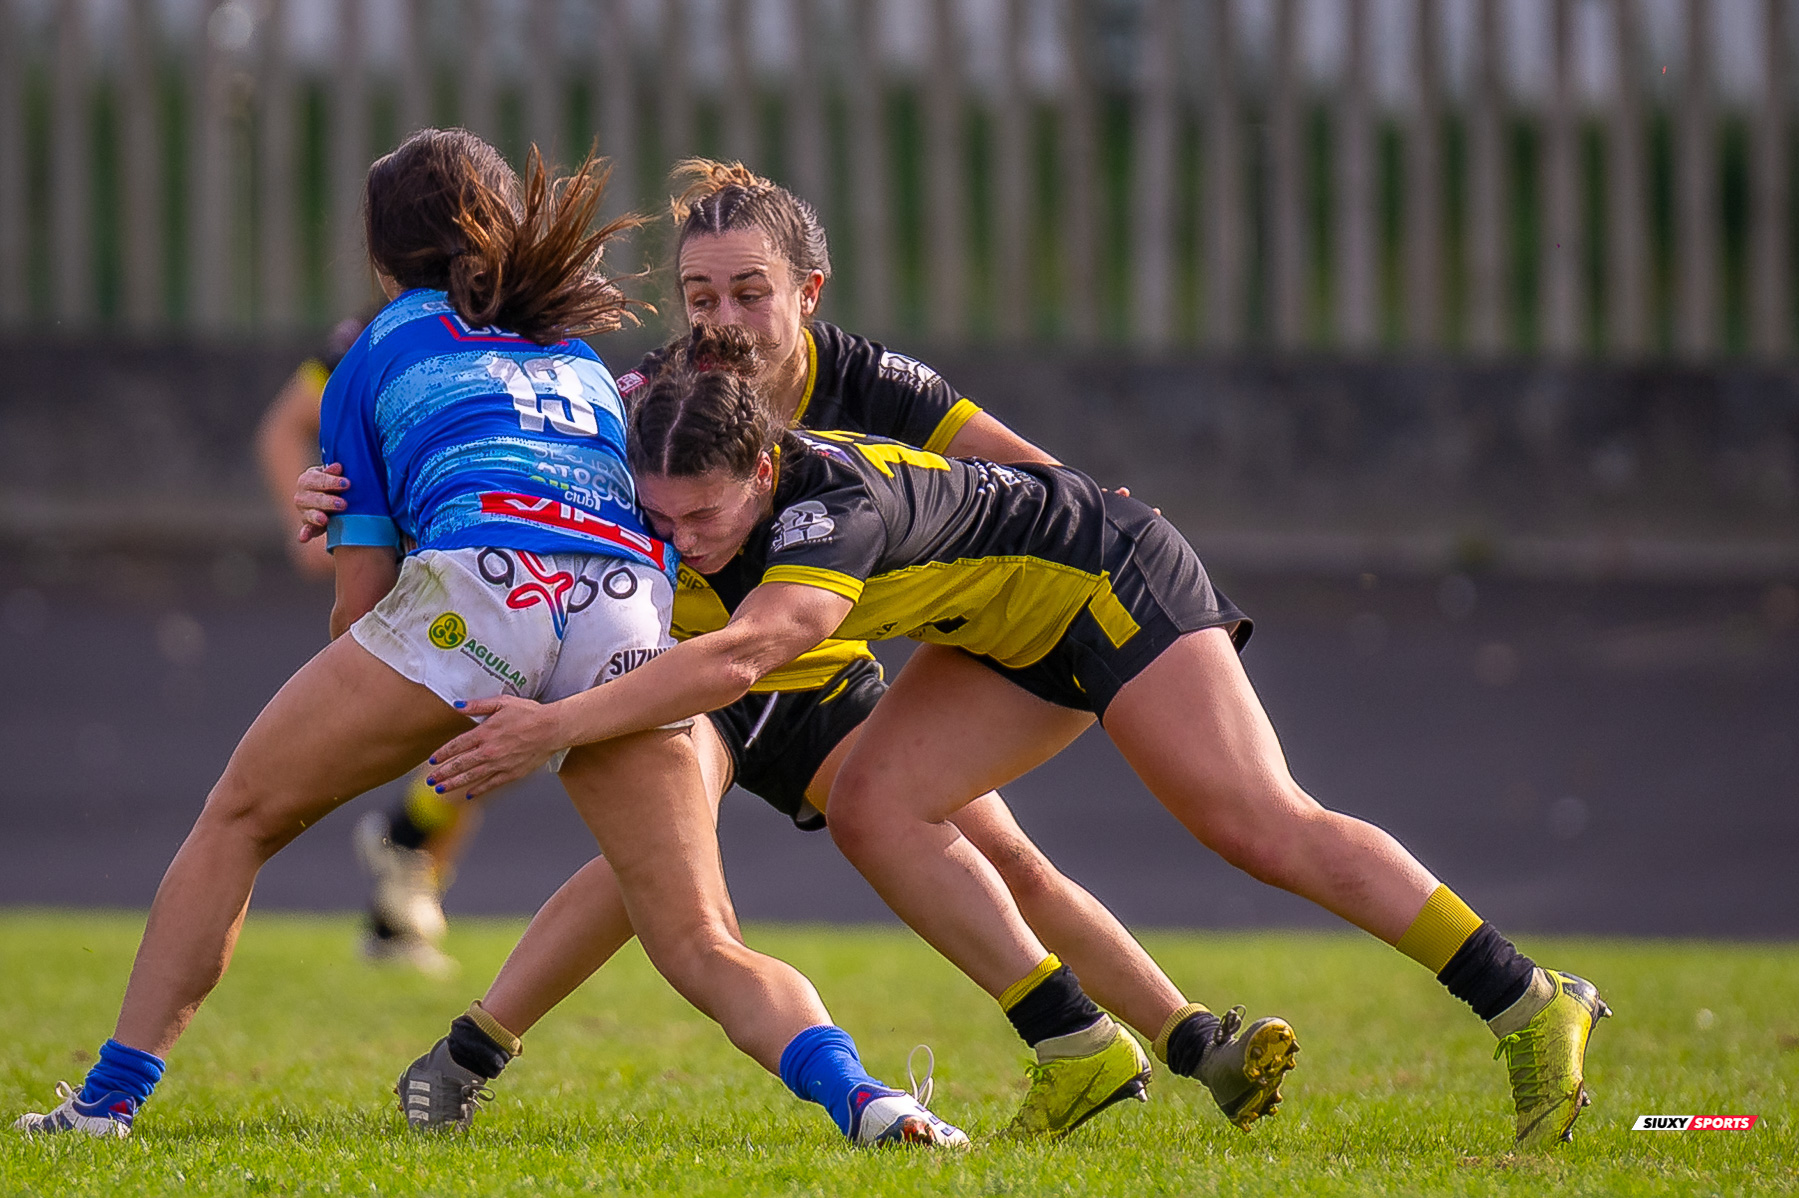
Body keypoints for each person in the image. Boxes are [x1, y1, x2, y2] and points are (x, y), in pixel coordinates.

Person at [424, 323, 1614, 1151]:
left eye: (708, 515)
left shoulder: (826, 506)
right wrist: (357, 484)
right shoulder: (680, 439)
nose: (684, 540)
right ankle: (1079, 1048)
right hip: (998, 635)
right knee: (877, 805)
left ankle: (1525, 996)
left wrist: (553, 726)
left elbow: (745, 653)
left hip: (1109, 577)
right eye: (662, 517)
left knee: (1256, 824)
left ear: (766, 464)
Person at [298, 161, 1296, 1139]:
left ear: (803, 294)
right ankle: (467, 1056)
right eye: (701, 296)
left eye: (747, 293)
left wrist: (1108, 515)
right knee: (653, 877)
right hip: (696, 675)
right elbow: (523, 487)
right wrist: (342, 502)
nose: (725, 320)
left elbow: (1026, 476)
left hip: (822, 684)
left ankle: (1188, 1036)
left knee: (1006, 859)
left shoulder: (864, 377)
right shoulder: (645, 399)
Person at [12, 129, 965, 1150]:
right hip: (628, 607)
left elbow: (364, 606)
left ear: (386, 259)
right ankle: (869, 1098)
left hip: (482, 592)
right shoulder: (582, 357)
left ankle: (105, 1103)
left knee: (238, 819)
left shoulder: (375, 350)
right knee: (696, 937)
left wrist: (408, 695)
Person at [255, 311, 471, 973]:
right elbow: (284, 427)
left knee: (477, 738)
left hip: (465, 555)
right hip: (408, 561)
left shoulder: (504, 318)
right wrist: (314, 524)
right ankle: (401, 849)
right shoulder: (374, 335)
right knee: (479, 727)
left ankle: (397, 916)